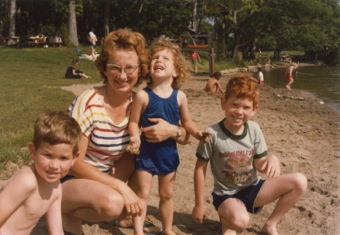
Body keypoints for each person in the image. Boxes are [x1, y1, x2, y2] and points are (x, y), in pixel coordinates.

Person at [61, 28, 189, 235]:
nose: (122, 75)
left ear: (140, 70)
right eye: (115, 68)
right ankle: (65, 212)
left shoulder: (139, 101)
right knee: (112, 204)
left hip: (107, 173)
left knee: (142, 153)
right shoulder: (88, 103)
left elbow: (186, 137)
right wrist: (122, 188)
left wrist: (173, 131)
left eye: (130, 68)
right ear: (104, 68)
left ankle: (124, 218)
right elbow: (73, 163)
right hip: (72, 180)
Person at [191, 74, 307, 235]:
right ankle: (226, 218)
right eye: (234, 105)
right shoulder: (212, 134)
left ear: (254, 110)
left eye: (246, 107)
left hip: (253, 189)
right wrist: (199, 204)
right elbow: (199, 169)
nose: (239, 111)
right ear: (223, 103)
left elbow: (261, 166)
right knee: (241, 222)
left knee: (299, 181)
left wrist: (273, 158)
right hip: (226, 195)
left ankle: (270, 225)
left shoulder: (254, 129)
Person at [127, 37, 210, 235]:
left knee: (167, 195)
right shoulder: (142, 96)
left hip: (168, 154)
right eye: (155, 57)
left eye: (165, 58)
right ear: (148, 67)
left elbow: (187, 122)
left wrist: (197, 133)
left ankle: (167, 229)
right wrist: (135, 137)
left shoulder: (180, 96)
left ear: (176, 71)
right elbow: (133, 122)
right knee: (143, 194)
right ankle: (138, 232)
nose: (159, 60)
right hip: (146, 154)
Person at [0, 111, 81, 235]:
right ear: (33, 151)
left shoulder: (56, 188)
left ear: (74, 158)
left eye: (63, 158)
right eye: (48, 155)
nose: (54, 165)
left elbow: (57, 231)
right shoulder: (27, 181)